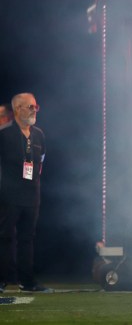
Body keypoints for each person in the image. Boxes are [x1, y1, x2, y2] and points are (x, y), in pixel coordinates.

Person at [0, 93, 51, 293]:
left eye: (35, 106)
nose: (34, 110)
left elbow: (41, 161)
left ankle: (27, 282)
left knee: (27, 238)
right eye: (30, 106)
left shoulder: (39, 134)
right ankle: (2, 280)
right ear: (17, 109)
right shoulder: (3, 135)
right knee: (4, 237)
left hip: (31, 195)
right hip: (8, 195)